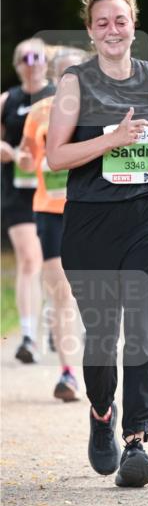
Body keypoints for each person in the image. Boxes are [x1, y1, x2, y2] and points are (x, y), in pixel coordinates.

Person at [47, 0, 148, 487]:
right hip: (91, 224)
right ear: (90, 31)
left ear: (133, 26)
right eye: (102, 22)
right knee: (104, 339)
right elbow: (56, 157)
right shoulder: (74, 84)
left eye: (120, 20)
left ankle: (137, 442)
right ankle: (102, 411)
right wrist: (111, 138)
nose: (112, 29)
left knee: (143, 331)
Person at [17, 46, 89, 401]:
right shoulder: (40, 113)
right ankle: (68, 373)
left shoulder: (103, 110)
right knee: (61, 293)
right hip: (50, 210)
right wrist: (27, 159)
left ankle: (99, 364)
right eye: (66, 75)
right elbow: (28, 162)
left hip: (95, 210)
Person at [1, 37, 55, 363]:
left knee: (55, 267)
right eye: (25, 57)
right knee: (29, 259)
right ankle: (28, 336)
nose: (31, 62)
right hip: (18, 193)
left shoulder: (61, 97)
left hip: (54, 192)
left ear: (46, 61)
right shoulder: (9, 100)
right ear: (17, 63)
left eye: (37, 56)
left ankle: (53, 322)